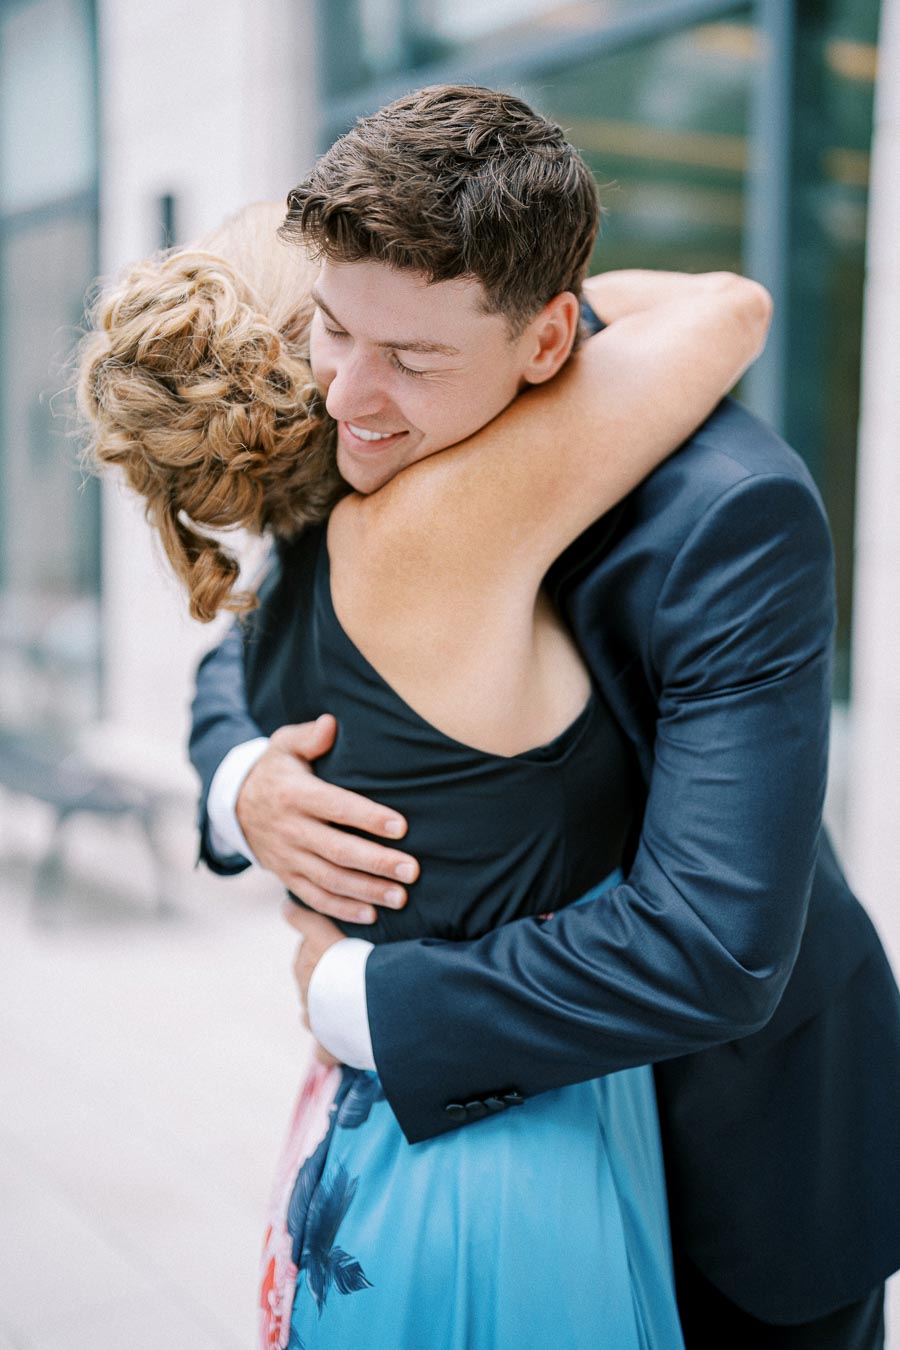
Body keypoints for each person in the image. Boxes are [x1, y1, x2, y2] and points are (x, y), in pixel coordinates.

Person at [189, 87, 900, 1349]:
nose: (348, 394)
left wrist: (368, 1000)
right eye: (334, 331)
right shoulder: (351, 396)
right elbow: (251, 625)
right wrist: (241, 777)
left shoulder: (731, 513)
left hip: (737, 1152)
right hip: (503, 1138)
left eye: (412, 359)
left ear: (547, 341)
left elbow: (715, 942)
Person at [78, 153, 769, 1348]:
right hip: (502, 1161)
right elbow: (728, 306)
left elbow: (221, 678)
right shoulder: (446, 515)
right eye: (347, 322)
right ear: (320, 359)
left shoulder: (307, 547)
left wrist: (241, 780)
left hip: (379, 1104)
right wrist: (517, 326)